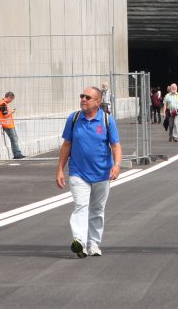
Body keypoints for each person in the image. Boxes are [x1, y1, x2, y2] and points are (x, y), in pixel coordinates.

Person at [56, 86, 122, 257]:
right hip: (78, 172)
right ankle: (79, 241)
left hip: (102, 173)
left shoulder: (107, 120)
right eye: (82, 96)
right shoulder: (74, 118)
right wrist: (60, 170)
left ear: (98, 102)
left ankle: (93, 244)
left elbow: (115, 145)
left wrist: (117, 165)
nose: (83, 99)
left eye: (87, 97)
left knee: (97, 210)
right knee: (80, 206)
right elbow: (67, 145)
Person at [0, 91, 25, 159]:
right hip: (6, 125)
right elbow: (5, 116)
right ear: (9, 97)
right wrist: (12, 112)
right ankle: (17, 154)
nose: (11, 101)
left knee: (14, 139)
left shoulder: (3, 103)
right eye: (11, 99)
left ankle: (17, 153)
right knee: (14, 139)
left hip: (8, 125)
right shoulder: (2, 104)